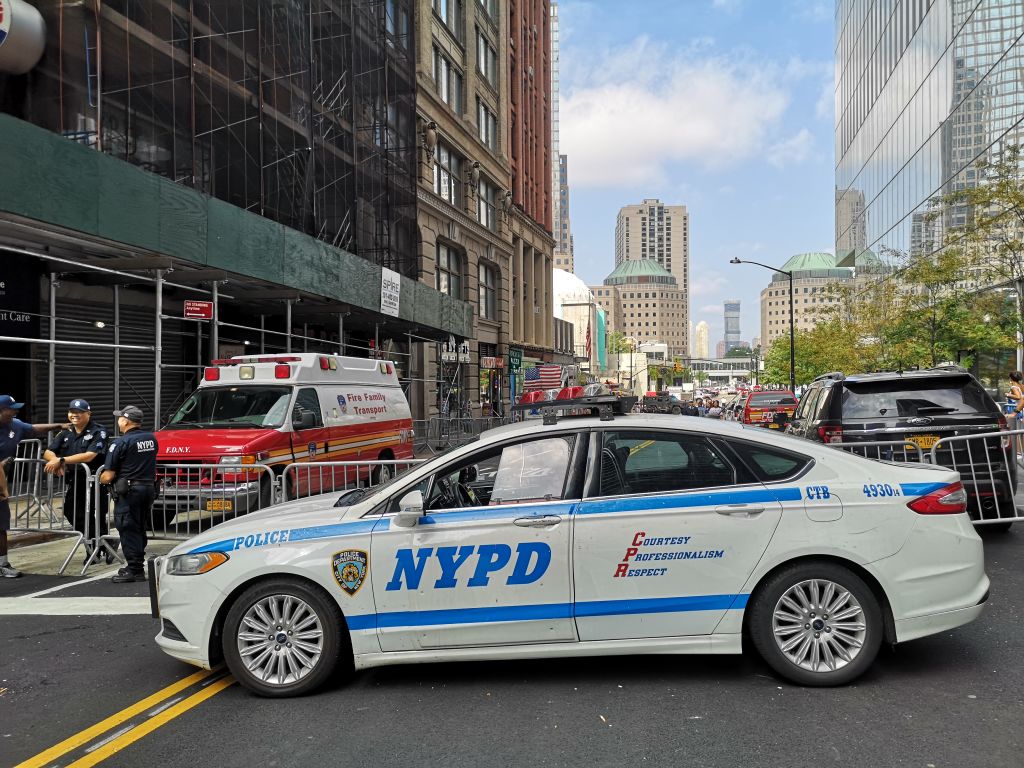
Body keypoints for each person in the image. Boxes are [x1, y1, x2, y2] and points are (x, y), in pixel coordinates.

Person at [0, 396, 66, 578]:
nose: (15, 411)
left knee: (1, 526)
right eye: (11, 408)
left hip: (0, 482)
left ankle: (3, 564)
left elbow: (34, 429)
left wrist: (59, 426)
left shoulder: (15, 424)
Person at [42, 399, 112, 563]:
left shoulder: (99, 431)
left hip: (96, 478)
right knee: (71, 511)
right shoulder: (66, 432)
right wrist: (56, 460)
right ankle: (99, 544)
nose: (74, 415)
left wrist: (62, 460)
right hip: (77, 479)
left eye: (79, 412)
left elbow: (90, 455)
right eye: (72, 412)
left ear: (88, 413)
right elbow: (48, 452)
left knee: (97, 514)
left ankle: (98, 549)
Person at [101, 406, 158, 583]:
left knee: (128, 528)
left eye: (120, 418)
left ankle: (135, 569)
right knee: (140, 527)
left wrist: (100, 478)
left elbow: (108, 474)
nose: (118, 421)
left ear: (126, 421)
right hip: (148, 489)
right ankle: (137, 565)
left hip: (130, 492)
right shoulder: (151, 438)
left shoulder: (120, 443)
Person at [1008, 372, 1024, 457]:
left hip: (1017, 412)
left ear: (1011, 378)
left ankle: (1018, 452)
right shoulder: (1021, 386)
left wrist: (1008, 394)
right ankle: (1020, 451)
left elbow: (1018, 397)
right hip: (1021, 410)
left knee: (1016, 432)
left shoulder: (1014, 387)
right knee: (1021, 432)